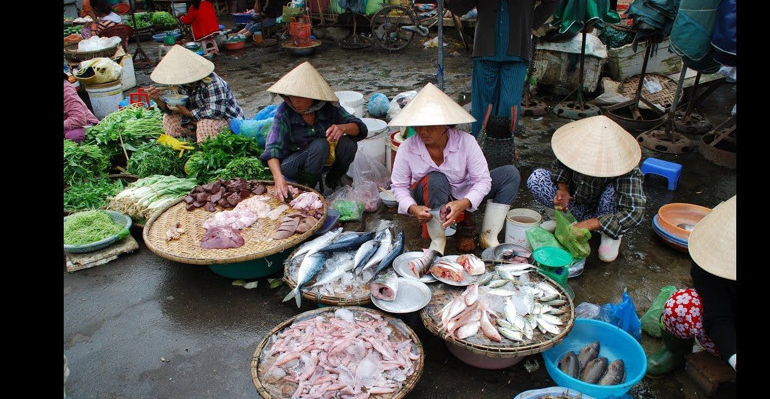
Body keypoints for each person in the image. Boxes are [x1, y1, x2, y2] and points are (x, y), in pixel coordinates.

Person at [389, 82, 521, 254]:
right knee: (436, 178)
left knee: (510, 174)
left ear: (446, 124)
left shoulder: (466, 142)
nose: (423, 131)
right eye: (418, 125)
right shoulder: (407, 148)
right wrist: (413, 208)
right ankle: (438, 239)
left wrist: (463, 203)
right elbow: (399, 186)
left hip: (463, 193)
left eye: (430, 126)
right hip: (428, 194)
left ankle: (488, 235)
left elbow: (482, 180)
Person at [526, 115, 646, 262]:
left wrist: (589, 224)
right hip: (576, 204)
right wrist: (563, 189)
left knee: (611, 193)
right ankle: (564, 222)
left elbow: (634, 212)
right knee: (537, 178)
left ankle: (608, 234)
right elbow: (561, 167)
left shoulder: (626, 167)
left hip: (602, 214)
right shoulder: (574, 147)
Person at [443, 0, 561, 137]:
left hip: (517, 52)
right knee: (483, 104)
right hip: (485, 51)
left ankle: (503, 144)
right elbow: (460, 8)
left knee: (509, 104)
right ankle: (479, 145)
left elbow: (553, 0)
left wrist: (530, 25)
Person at [647, 195, 737, 376]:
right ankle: (678, 351)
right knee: (681, 305)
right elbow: (719, 317)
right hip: (728, 328)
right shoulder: (709, 258)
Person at [260, 61, 368, 201]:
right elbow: (272, 149)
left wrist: (343, 128)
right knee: (320, 145)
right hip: (293, 164)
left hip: (322, 159)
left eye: (300, 97)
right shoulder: (284, 113)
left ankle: (332, 181)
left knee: (348, 144)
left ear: (313, 96)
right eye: (292, 96)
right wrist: (278, 178)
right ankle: (307, 190)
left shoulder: (329, 107)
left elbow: (360, 127)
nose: (295, 102)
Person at [145, 45, 244, 144]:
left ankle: (206, 150)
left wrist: (188, 113)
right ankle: (180, 148)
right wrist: (157, 99)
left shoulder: (212, 82)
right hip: (195, 120)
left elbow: (216, 113)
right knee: (168, 119)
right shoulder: (178, 83)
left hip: (228, 123)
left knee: (204, 125)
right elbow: (172, 110)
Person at [64, 72, 99, 143]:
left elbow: (78, 119)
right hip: (66, 126)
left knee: (74, 136)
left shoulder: (66, 89)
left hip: (84, 125)